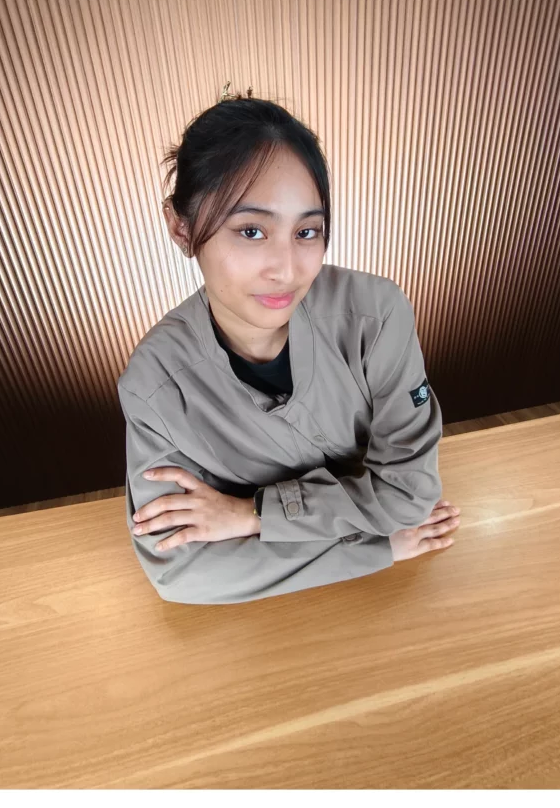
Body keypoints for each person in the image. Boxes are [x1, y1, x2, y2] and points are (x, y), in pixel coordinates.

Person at [117, 89, 461, 605]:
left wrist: (250, 513)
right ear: (181, 228)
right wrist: (375, 546)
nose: (287, 268)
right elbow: (183, 571)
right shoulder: (155, 388)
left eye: (307, 231)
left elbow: (410, 496)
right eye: (251, 230)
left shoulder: (375, 315)